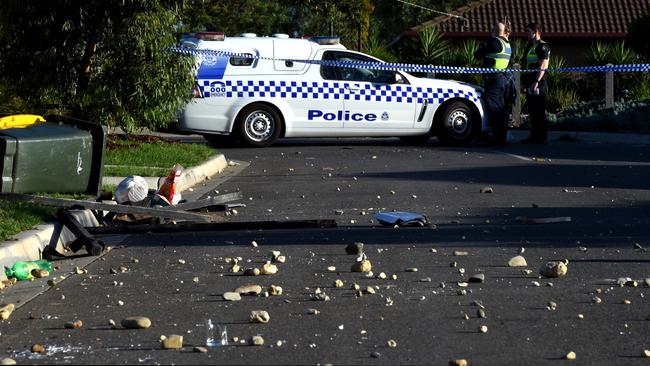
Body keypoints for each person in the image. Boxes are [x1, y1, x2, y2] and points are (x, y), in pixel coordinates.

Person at [474, 21, 512, 146]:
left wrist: (482, 46)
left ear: (495, 31)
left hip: (493, 79)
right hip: (502, 78)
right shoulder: (507, 44)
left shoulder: (494, 42)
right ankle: (501, 136)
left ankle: (497, 138)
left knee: (494, 108)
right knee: (500, 108)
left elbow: (477, 55)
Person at [521, 22, 550, 144]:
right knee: (532, 110)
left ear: (535, 31)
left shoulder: (542, 46)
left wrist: (537, 81)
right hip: (529, 82)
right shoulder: (529, 47)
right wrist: (524, 83)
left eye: (528, 31)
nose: (526, 33)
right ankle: (534, 136)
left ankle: (541, 137)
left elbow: (543, 65)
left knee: (539, 110)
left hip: (538, 83)